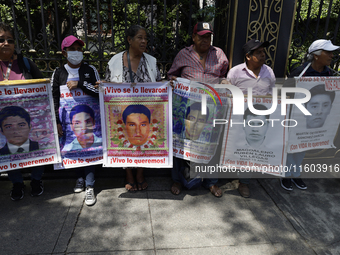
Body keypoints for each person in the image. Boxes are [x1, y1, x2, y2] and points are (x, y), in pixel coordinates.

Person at [168, 22, 229, 197]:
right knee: (181, 143)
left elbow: (223, 75)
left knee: (211, 144)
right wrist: (173, 80)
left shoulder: (219, 54)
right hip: (187, 108)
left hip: (212, 108)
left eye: (208, 36)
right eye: (201, 36)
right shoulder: (183, 54)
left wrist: (224, 81)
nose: (205, 40)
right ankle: (178, 180)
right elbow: (172, 74)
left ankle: (210, 182)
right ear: (193, 37)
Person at [106, 25, 161, 192]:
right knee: (125, 137)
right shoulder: (115, 61)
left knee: (144, 137)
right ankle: (129, 173)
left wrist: (166, 86)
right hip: (123, 112)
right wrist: (104, 86)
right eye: (140, 38)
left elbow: (158, 84)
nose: (144, 41)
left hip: (145, 112)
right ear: (129, 40)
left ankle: (140, 173)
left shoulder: (151, 61)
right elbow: (108, 87)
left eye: (145, 38)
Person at [282, 39, 340, 191]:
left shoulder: (330, 74)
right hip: (296, 118)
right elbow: (285, 93)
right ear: (316, 55)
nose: (331, 55)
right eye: (328, 52)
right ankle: (286, 175)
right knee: (290, 146)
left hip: (315, 121)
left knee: (303, 146)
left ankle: (296, 174)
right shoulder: (300, 73)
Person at [51, 35, 100, 206]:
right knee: (73, 148)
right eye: (72, 49)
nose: (77, 52)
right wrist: (57, 121)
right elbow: (54, 98)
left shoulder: (90, 69)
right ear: (65, 53)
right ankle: (79, 178)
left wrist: (80, 84)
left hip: (88, 121)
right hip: (68, 122)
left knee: (89, 148)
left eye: (79, 49)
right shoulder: (58, 73)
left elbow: (98, 92)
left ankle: (90, 185)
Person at [0, 22, 44, 201]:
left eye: (10, 40)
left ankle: (36, 180)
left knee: (37, 146)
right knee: (7, 148)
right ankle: (17, 182)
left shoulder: (25, 63)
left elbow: (43, 86)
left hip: (30, 117)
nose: (6, 43)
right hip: (3, 120)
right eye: (1, 40)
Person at [227, 39, 276, 198]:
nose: (263, 55)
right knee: (235, 147)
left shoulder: (268, 71)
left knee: (250, 148)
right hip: (237, 118)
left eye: (263, 52)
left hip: (258, 118)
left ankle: (244, 182)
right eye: (259, 53)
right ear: (248, 56)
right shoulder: (235, 72)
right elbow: (228, 94)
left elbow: (273, 94)